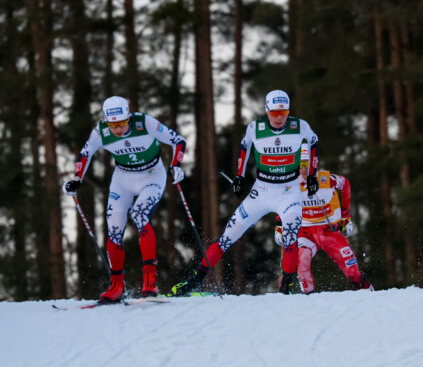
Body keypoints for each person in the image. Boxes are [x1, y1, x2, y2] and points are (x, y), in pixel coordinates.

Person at [169, 89, 319, 295]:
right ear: (267, 111)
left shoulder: (299, 126)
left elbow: (313, 142)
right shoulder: (255, 128)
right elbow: (244, 147)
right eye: (274, 113)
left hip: (288, 191)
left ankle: (287, 289)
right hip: (262, 191)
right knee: (227, 237)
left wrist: (312, 174)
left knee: (290, 237)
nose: (278, 118)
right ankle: (194, 281)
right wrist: (239, 176)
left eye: (283, 113)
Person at [62, 96, 187, 302]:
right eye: (113, 124)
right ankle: (116, 285)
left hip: (152, 175)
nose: (118, 129)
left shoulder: (144, 123)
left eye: (122, 123)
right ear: (106, 121)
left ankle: (150, 281)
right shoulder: (101, 131)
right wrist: (77, 179)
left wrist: (176, 165)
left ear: (129, 117)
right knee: (114, 227)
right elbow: (85, 153)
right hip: (123, 178)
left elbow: (178, 141)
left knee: (139, 214)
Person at [274, 168, 373, 294]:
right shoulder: (291, 184)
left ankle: (372, 296)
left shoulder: (327, 179)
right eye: (301, 165)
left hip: (329, 232)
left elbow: (345, 184)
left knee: (353, 272)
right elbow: (280, 202)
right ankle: (309, 299)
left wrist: (345, 217)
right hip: (305, 232)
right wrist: (279, 226)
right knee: (302, 261)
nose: (304, 169)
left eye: (307, 164)